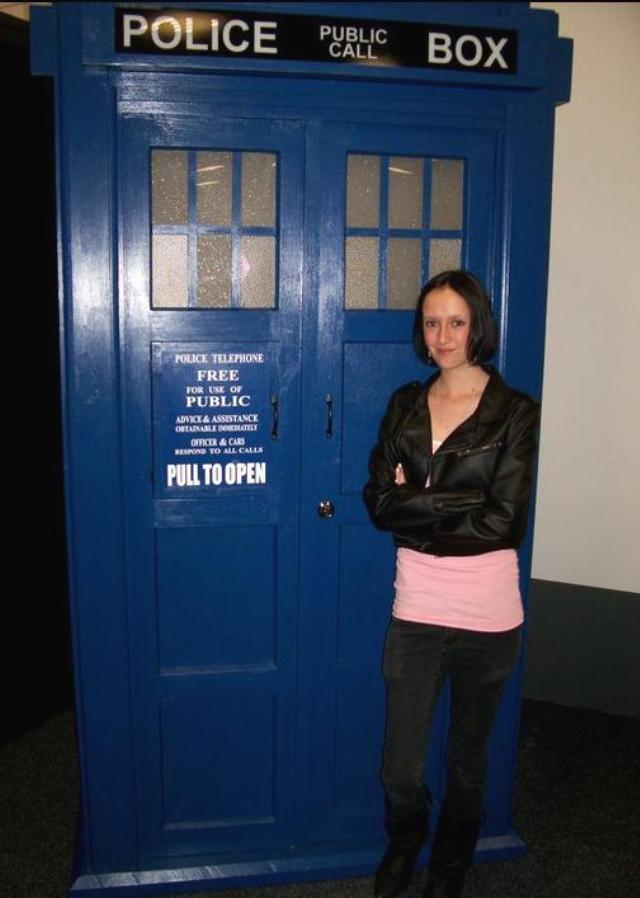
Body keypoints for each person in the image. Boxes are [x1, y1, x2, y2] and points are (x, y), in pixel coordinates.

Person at [363, 270, 539, 898]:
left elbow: (503, 521)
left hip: (489, 619)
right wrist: (452, 502)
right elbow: (379, 504)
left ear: (478, 326)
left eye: (456, 321)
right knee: (399, 770)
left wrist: (422, 503)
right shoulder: (406, 404)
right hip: (416, 610)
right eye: (432, 322)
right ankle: (406, 841)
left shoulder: (514, 412)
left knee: (467, 768)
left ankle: (449, 867)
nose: (443, 335)